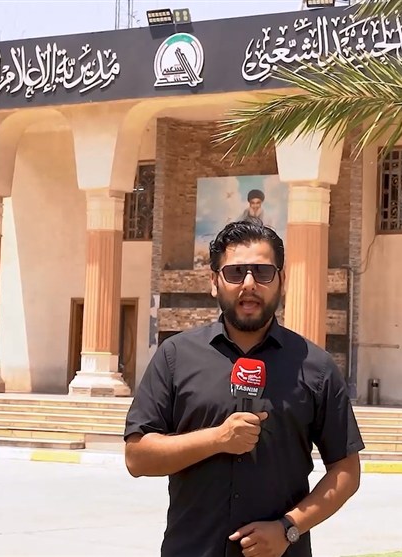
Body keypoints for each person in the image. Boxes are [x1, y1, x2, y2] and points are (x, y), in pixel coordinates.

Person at [124, 221, 364, 557]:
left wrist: (289, 527)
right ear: (214, 282)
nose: (249, 284)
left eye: (262, 272)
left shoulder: (316, 366)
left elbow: (346, 471)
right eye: (235, 272)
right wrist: (218, 439)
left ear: (282, 280)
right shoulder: (175, 356)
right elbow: (137, 458)